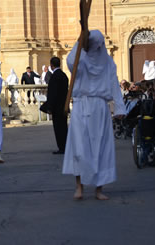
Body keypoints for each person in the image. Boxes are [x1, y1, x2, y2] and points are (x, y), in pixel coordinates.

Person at [62, 30, 125, 201]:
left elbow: (114, 84)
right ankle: (79, 187)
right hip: (81, 105)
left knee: (101, 148)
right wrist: (79, 40)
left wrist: (119, 108)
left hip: (99, 107)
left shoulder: (108, 64)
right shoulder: (80, 59)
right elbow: (69, 62)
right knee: (79, 147)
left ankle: (99, 189)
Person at [42, 57, 69, 154]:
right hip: (64, 106)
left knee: (58, 128)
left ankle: (61, 147)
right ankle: (66, 146)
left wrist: (49, 107)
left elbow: (52, 94)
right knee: (64, 127)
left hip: (56, 108)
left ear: (51, 65)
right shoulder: (64, 75)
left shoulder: (54, 76)